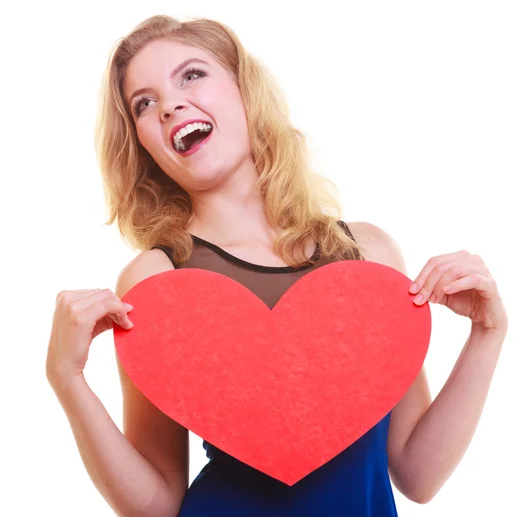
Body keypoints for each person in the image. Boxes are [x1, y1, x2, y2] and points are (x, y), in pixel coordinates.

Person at [45, 15, 508, 517]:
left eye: (192, 75)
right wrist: (67, 378)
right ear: (142, 142)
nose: (170, 105)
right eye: (144, 103)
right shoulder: (157, 282)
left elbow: (417, 474)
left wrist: (488, 334)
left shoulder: (366, 257)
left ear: (244, 90)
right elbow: (157, 504)